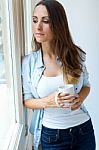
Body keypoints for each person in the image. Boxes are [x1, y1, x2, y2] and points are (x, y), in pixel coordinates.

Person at [22, 0, 96, 150]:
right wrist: (49, 101)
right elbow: (27, 100)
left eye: (46, 21)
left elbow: (86, 85)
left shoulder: (76, 54)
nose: (38, 27)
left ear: (58, 24)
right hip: (52, 135)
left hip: (83, 129)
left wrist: (80, 98)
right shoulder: (28, 62)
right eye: (35, 20)